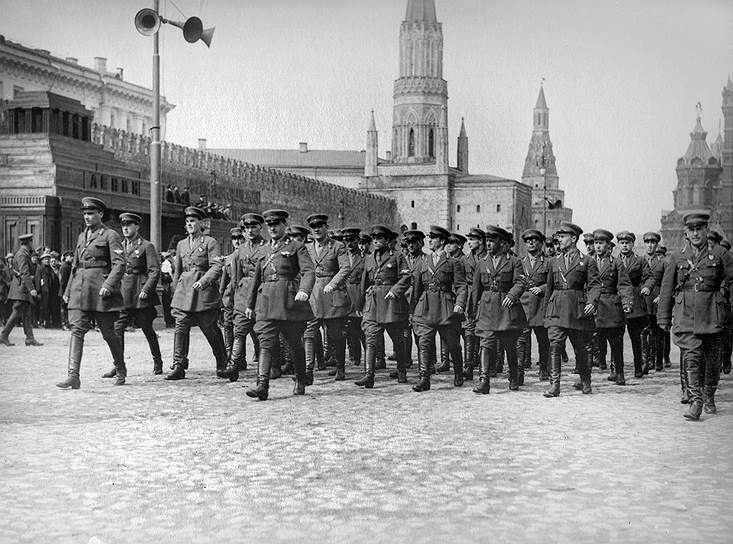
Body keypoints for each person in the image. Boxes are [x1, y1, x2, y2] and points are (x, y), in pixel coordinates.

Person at [657, 211, 733, 420]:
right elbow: (666, 289)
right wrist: (663, 317)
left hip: (712, 313)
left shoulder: (719, 254)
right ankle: (695, 400)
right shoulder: (677, 257)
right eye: (692, 230)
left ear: (707, 230)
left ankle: (709, 394)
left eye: (700, 229)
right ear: (686, 233)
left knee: (712, 359)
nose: (696, 233)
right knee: (691, 357)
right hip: (686, 314)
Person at [244, 209, 314, 400]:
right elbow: (256, 278)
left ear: (284, 225)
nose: (273, 228)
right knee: (265, 342)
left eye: (276, 224)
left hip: (289, 302)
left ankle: (300, 379)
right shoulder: (264, 249)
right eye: (269, 225)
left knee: (294, 343)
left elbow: (308, 271)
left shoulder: (296, 246)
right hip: (266, 301)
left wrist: (304, 291)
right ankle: (262, 385)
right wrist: (250, 304)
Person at [56, 197, 125, 388]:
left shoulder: (111, 235)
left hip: (100, 291)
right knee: (77, 330)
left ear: (100, 214)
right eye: (85, 214)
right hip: (80, 289)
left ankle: (120, 368)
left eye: (91, 213)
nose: (87, 217)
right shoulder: (81, 236)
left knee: (108, 333)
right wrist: (68, 290)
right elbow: (75, 266)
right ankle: (73, 376)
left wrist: (109, 285)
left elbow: (119, 264)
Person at [165, 206, 227, 381]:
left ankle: (222, 362)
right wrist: (175, 289)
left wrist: (204, 281)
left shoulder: (209, 242)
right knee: (181, 325)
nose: (189, 224)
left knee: (209, 328)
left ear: (201, 223)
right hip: (185, 291)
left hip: (203, 292)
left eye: (193, 221)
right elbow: (177, 270)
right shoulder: (181, 244)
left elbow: (216, 266)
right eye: (187, 222)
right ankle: (179, 365)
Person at [542, 221, 601, 397]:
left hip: (578, 310)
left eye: (562, 236)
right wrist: (546, 313)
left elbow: (595, 285)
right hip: (556, 309)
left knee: (580, 348)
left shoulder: (587, 261)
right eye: (558, 237)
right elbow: (550, 288)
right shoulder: (553, 261)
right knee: (555, 345)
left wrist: (592, 302)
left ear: (573, 238)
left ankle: (585, 380)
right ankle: (555, 385)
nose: (558, 240)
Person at [101, 213, 163, 378]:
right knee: (117, 329)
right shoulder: (119, 246)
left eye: (129, 225)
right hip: (123, 295)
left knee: (147, 328)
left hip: (139, 294)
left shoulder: (146, 246)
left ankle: (158, 361)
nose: (126, 228)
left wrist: (146, 290)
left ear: (137, 226)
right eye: (123, 225)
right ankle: (118, 365)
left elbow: (154, 271)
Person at [411, 226, 467, 392]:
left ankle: (458, 372)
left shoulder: (453, 262)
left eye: (433, 238)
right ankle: (424, 378)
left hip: (445, 306)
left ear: (441, 241)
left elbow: (461, 285)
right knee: (424, 342)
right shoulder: (423, 261)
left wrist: (460, 303)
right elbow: (417, 287)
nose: (430, 240)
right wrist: (413, 310)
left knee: (452, 344)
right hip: (426, 305)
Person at [354, 226, 411, 389]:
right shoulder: (369, 258)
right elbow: (364, 281)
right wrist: (360, 303)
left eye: (380, 237)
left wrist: (395, 291)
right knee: (370, 338)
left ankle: (401, 370)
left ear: (387, 240)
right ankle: (369, 375)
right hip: (373, 302)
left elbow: (407, 277)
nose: (376, 240)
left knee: (398, 339)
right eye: (374, 238)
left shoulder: (397, 256)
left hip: (392, 303)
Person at [472, 226, 527, 393]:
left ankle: (514, 376)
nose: (488, 244)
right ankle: (484, 381)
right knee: (486, 343)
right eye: (487, 241)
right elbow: (476, 288)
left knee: (509, 345)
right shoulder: (481, 263)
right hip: (487, 308)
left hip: (506, 308)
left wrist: (512, 295)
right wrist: (473, 310)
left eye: (492, 241)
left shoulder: (514, 261)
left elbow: (520, 282)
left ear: (502, 242)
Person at [303, 213, 351, 383]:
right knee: (309, 333)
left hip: (332, 296)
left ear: (326, 228)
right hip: (313, 296)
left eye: (320, 226)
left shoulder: (337, 246)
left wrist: (333, 283)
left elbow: (345, 268)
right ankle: (308, 370)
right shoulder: (306, 248)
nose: (317, 230)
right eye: (313, 227)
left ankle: (340, 368)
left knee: (336, 334)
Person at [220, 213, 267, 382]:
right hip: (243, 294)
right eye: (247, 228)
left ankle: (271, 367)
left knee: (263, 332)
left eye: (254, 227)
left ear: (260, 228)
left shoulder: (266, 247)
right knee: (238, 330)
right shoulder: (240, 250)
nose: (250, 231)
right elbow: (236, 277)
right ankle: (233, 366)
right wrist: (234, 296)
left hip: (261, 292)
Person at [591, 230, 633, 385]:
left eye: (601, 243)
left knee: (616, 342)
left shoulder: (616, 263)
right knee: (589, 343)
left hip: (612, 307)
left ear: (608, 246)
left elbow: (624, 285)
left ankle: (619, 372)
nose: (598, 246)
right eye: (596, 243)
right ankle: (585, 376)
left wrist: (627, 303)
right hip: (594, 306)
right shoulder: (588, 261)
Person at [617, 231, 654, 377]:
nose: (625, 245)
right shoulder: (614, 261)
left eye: (627, 243)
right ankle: (616, 369)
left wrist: (647, 287)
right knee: (617, 337)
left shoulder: (640, 260)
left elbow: (650, 277)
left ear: (632, 244)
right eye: (622, 243)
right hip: (618, 301)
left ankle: (638, 367)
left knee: (635, 337)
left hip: (635, 301)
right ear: (619, 245)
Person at [517, 229, 550, 381]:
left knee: (543, 339)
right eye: (527, 240)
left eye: (534, 240)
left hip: (540, 306)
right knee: (521, 340)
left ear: (541, 243)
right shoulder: (519, 262)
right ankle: (519, 371)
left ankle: (544, 368)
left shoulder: (548, 262)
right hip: (523, 305)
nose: (530, 242)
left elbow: (553, 283)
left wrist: (541, 288)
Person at [0, 233, 43, 347]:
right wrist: (32, 289)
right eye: (31, 242)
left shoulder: (23, 253)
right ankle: (3, 335)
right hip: (21, 288)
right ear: (28, 242)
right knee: (16, 313)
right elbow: (25, 272)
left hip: (22, 288)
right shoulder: (22, 255)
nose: (32, 244)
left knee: (27, 313)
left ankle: (30, 338)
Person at [462, 228, 487, 380]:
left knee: (485, 331)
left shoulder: (489, 258)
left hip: (486, 296)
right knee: (469, 331)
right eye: (469, 240)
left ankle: (487, 366)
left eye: (472, 240)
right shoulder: (465, 259)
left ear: (480, 241)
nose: (469, 243)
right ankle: (468, 366)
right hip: (470, 296)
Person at [342, 227, 366, 369]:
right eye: (346, 240)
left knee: (361, 328)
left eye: (352, 240)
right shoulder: (342, 256)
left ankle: (370, 358)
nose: (349, 243)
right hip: (345, 295)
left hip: (358, 293)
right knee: (349, 329)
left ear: (357, 240)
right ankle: (354, 357)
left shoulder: (364, 258)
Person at [642, 232, 666, 372]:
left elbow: (668, 283)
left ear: (656, 245)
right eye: (647, 242)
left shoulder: (663, 263)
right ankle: (646, 360)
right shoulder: (640, 261)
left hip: (657, 300)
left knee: (658, 333)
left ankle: (658, 360)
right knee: (644, 331)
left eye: (652, 243)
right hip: (644, 300)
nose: (650, 245)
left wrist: (662, 297)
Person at [220, 227, 243, 359]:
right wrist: (220, 297)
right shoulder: (228, 259)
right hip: (229, 297)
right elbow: (224, 280)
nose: (237, 241)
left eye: (240, 238)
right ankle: (229, 354)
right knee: (228, 325)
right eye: (234, 238)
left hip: (243, 296)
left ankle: (245, 355)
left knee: (244, 328)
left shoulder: (246, 255)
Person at [35, 252, 58, 328]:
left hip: (50, 292)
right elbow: (37, 280)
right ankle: (41, 322)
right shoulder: (40, 269)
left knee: (49, 307)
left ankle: (48, 323)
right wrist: (38, 292)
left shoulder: (50, 269)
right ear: (42, 260)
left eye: (48, 259)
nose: (47, 261)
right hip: (43, 291)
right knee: (42, 307)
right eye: (45, 259)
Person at [160, 251, 175, 327]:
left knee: (166, 305)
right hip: (165, 286)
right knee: (166, 305)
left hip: (165, 286)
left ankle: (169, 321)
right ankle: (169, 321)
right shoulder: (166, 263)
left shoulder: (166, 263)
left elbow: (169, 276)